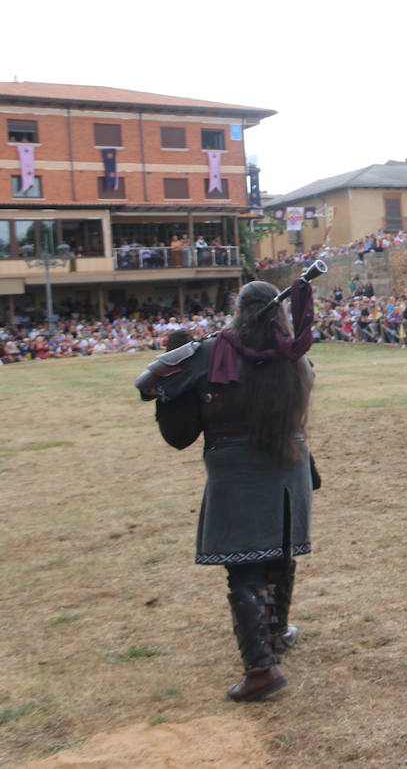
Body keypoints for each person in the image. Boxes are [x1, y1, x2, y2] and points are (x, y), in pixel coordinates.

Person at [134, 278, 316, 703]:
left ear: (240, 311)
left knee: (245, 565)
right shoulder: (296, 358)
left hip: (238, 469)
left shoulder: (210, 352)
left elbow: (147, 384)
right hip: (290, 466)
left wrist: (178, 356)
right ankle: (275, 635)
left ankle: (261, 668)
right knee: (277, 549)